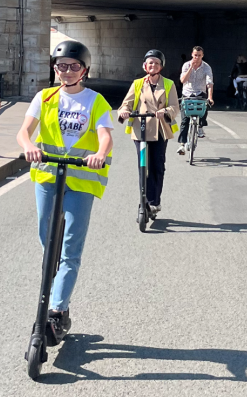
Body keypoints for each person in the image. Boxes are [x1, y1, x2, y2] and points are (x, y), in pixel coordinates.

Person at [16, 40, 113, 343]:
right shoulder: (44, 97)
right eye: (61, 66)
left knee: (71, 246)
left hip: (81, 180)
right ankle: (54, 291)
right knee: (47, 240)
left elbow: (105, 136)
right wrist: (29, 146)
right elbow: (24, 131)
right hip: (48, 176)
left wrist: (99, 154)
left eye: (73, 66)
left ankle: (58, 310)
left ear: (84, 70)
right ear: (55, 69)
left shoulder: (96, 101)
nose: (67, 71)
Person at [117, 49, 179, 217]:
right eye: (150, 63)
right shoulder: (137, 84)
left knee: (157, 166)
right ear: (145, 65)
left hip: (159, 130)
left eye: (157, 63)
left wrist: (165, 111)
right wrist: (124, 111)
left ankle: (154, 201)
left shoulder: (168, 84)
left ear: (161, 66)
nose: (153, 65)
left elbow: (175, 106)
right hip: (141, 130)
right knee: (143, 167)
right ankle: (143, 201)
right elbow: (126, 103)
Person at [176, 46, 214, 155]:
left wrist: (210, 97)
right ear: (192, 54)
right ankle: (182, 145)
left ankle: (201, 126)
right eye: (195, 55)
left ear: (202, 56)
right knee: (185, 120)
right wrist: (190, 68)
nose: (197, 57)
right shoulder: (186, 65)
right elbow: (183, 80)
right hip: (187, 93)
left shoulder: (206, 67)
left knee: (205, 105)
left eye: (199, 55)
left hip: (200, 92)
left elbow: (209, 83)